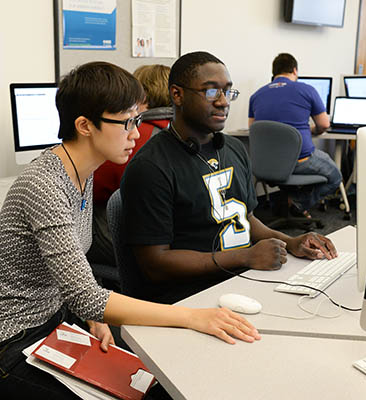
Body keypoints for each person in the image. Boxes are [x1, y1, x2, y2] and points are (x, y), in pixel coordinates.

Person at [0, 61, 261, 399]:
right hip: (14, 339)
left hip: (56, 324)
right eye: (126, 123)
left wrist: (91, 318)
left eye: (136, 120)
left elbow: (72, 274)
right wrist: (191, 317)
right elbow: (88, 297)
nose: (136, 134)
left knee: (154, 386)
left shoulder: (82, 172)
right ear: (84, 126)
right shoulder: (44, 187)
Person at [120, 51, 338, 305]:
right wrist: (245, 257)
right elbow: (155, 264)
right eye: (211, 91)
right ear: (177, 94)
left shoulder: (233, 149)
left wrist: (291, 242)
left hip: (242, 279)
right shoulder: (151, 167)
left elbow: (246, 219)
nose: (223, 102)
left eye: (228, 92)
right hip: (189, 298)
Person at [87, 64, 173, 269]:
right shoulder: (185, 132)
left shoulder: (130, 136)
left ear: (141, 97)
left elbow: (91, 190)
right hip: (177, 241)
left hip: (137, 246)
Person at [248, 53, 342, 217]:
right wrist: (311, 131)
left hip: (266, 164)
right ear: (294, 70)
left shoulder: (256, 95)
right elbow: (324, 124)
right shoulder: (306, 90)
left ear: (274, 72)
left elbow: (253, 129)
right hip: (300, 161)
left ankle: (286, 201)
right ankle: (297, 203)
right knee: (336, 177)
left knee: (295, 174)